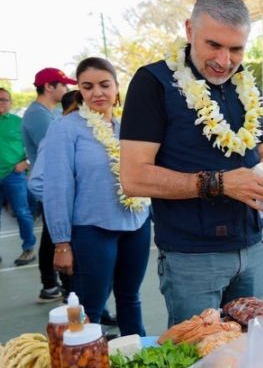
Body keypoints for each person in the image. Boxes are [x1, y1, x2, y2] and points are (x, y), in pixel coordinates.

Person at [119, 0, 263, 327]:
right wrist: (220, 183)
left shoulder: (245, 85)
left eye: (236, 49)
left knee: (251, 348)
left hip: (252, 249)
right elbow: (133, 177)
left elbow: (257, 151)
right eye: (213, 45)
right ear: (190, 30)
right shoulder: (153, 82)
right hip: (193, 258)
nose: (224, 61)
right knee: (200, 354)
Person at [38, 57, 151, 336]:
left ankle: (137, 355)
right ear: (79, 90)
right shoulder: (65, 128)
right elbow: (57, 187)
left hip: (136, 225)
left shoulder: (129, 127)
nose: (97, 93)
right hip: (92, 230)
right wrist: (61, 243)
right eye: (87, 87)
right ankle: (86, 359)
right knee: (90, 308)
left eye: (104, 85)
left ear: (117, 87)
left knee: (130, 299)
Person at [22, 67, 76, 298]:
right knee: (55, 237)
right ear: (48, 87)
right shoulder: (38, 115)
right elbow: (56, 150)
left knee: (51, 236)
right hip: (50, 186)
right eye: (63, 84)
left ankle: (52, 284)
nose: (67, 88)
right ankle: (55, 284)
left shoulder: (51, 112)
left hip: (55, 185)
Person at [0, 88, 35, 267]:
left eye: (4, 99)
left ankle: (28, 249)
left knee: (22, 212)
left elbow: (34, 146)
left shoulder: (19, 123)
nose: (1, 103)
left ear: (10, 102)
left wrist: (26, 162)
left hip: (14, 175)